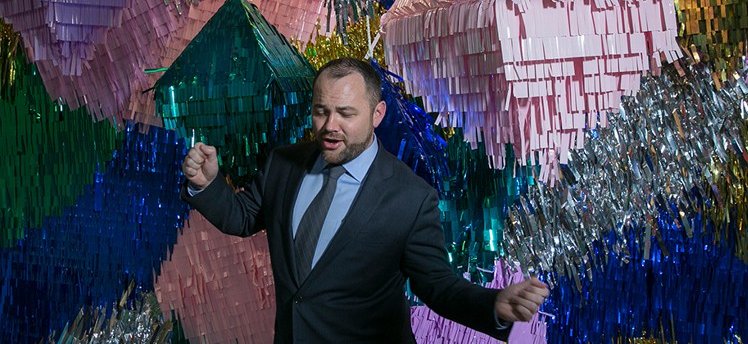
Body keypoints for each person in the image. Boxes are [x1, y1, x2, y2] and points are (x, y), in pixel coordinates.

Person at [181, 58, 549, 342]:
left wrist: (493, 306)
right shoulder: (284, 163)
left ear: (377, 115)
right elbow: (243, 217)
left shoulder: (411, 197)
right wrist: (207, 184)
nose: (329, 126)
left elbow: (437, 285)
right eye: (321, 111)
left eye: (345, 113)